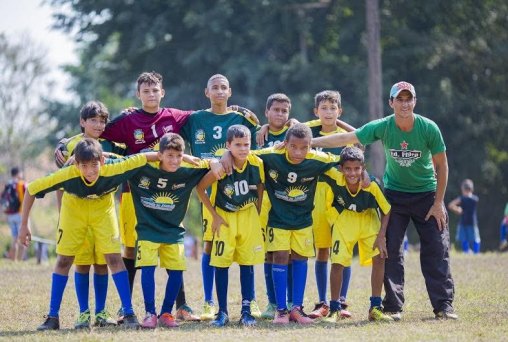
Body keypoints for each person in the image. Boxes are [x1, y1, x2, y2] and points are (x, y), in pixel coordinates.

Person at [53, 72, 199, 322]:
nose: (151, 95)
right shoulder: (127, 120)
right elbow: (94, 132)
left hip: (169, 196)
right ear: (138, 94)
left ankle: (182, 305)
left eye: (155, 90)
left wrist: (237, 108)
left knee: (172, 246)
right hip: (135, 194)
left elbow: (206, 115)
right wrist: (65, 142)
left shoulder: (174, 116)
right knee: (131, 248)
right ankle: (125, 307)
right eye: (146, 91)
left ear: (162, 92)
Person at [311, 81, 457, 320]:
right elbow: (347, 138)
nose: (404, 103)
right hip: (395, 195)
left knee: (437, 250)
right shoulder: (384, 126)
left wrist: (439, 202)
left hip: (427, 195)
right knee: (389, 251)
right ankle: (392, 306)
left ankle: (444, 306)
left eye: (408, 99)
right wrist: (311, 143)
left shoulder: (428, 128)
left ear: (414, 102)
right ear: (391, 103)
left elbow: (442, 165)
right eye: (399, 99)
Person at [19, 138, 159, 330]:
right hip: (74, 210)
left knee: (113, 258)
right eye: (84, 166)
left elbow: (143, 158)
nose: (90, 171)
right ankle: (53, 317)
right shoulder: (67, 175)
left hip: (102, 210)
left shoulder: (114, 167)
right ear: (76, 164)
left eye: (94, 165)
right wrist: (23, 224)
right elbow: (32, 189)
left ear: (102, 160)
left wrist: (177, 157)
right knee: (65, 260)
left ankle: (128, 313)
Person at [180, 74, 260, 320]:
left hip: (238, 188)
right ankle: (209, 301)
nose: (219, 91)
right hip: (210, 187)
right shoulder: (195, 119)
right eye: (214, 87)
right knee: (210, 244)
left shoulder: (241, 119)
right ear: (207, 92)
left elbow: (257, 138)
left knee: (246, 250)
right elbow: (165, 124)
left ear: (230, 91)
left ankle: (251, 301)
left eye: (223, 87)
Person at [253, 123, 340, 324]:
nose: (298, 152)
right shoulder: (270, 155)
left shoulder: (317, 160)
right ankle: (281, 310)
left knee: (301, 257)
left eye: (304, 147)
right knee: (280, 256)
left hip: (303, 221)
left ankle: (297, 309)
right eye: (293, 146)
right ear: (285, 144)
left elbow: (343, 159)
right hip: (278, 219)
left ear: (311, 146)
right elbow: (246, 154)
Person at [127, 133, 216, 329]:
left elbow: (212, 162)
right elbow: (122, 160)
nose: (174, 161)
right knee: (147, 270)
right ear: (159, 155)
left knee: (176, 272)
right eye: (170, 156)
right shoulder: (140, 169)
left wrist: (197, 160)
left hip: (173, 231)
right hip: (147, 230)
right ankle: (150, 313)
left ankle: (166, 313)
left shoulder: (187, 172)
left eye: (178, 156)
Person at [55, 101, 125, 329]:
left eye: (102, 120)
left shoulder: (111, 145)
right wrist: (60, 212)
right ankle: (84, 313)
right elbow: (60, 181)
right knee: (82, 263)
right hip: (76, 210)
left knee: (104, 261)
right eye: (93, 120)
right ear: (82, 122)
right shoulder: (70, 146)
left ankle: (102, 312)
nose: (98, 125)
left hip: (103, 209)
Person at [196, 125, 265, 327]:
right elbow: (200, 188)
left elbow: (260, 187)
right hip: (225, 217)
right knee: (221, 263)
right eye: (237, 145)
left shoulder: (257, 162)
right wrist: (214, 216)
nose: (243, 149)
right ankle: (222, 312)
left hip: (248, 216)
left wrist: (258, 213)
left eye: (246, 144)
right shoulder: (221, 166)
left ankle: (246, 310)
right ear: (228, 145)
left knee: (247, 262)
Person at [320, 147, 393, 322]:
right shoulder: (335, 178)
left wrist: (381, 236)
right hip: (345, 220)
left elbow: (386, 210)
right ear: (341, 169)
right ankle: (335, 309)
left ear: (363, 168)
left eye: (357, 168)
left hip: (368, 219)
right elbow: (320, 162)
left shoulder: (372, 185)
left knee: (379, 257)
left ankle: (375, 307)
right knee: (337, 263)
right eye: (347, 168)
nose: (352, 173)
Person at [306, 90, 353, 319]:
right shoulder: (310, 133)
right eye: (323, 108)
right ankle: (322, 302)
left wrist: (338, 122)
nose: (328, 112)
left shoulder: (345, 135)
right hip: (317, 196)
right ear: (316, 112)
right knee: (322, 250)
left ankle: (341, 301)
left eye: (333, 108)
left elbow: (361, 138)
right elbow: (289, 129)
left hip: (341, 197)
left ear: (339, 111)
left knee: (342, 250)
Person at [448, 179, 480, 254]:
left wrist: (457, 209)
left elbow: (450, 205)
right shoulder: (475, 199)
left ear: (463, 189)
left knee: (464, 238)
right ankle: (476, 252)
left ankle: (466, 251)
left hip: (464, 222)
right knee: (475, 238)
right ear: (471, 189)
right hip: (472, 222)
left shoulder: (462, 198)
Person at [1, 166, 26, 261]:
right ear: (18, 173)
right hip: (20, 214)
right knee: (23, 238)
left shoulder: (8, 185)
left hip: (10, 216)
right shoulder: (21, 184)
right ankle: (20, 260)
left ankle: (13, 260)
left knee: (14, 238)